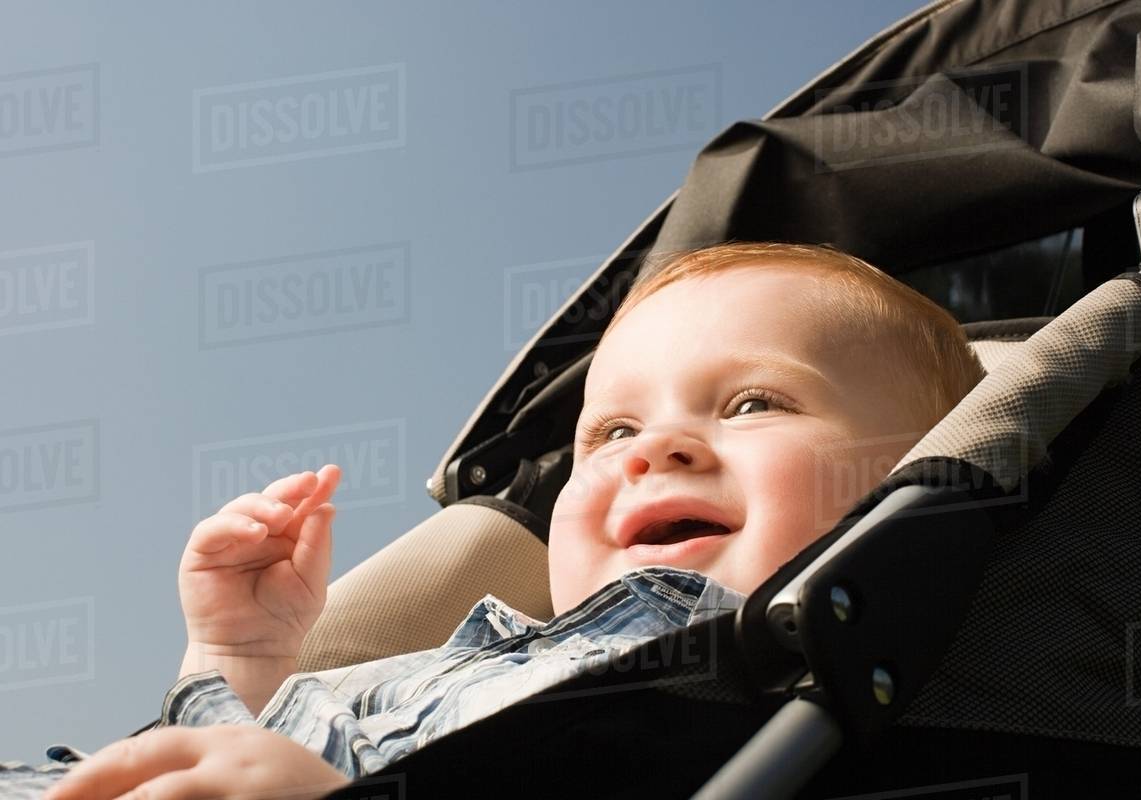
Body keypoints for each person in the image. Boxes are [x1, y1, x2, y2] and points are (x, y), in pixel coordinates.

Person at [10, 242, 985, 799]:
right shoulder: (468, 651)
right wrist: (235, 657)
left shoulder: (762, 716)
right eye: (613, 430)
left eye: (753, 403)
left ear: (914, 482)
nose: (654, 448)